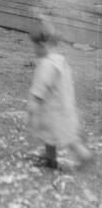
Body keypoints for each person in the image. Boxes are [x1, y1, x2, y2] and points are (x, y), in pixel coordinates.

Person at [28, 23, 92, 169]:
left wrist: (33, 109)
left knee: (68, 138)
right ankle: (50, 159)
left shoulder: (46, 66)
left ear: (43, 45)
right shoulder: (59, 60)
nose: (34, 49)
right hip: (63, 107)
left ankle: (85, 156)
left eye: (35, 46)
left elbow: (40, 89)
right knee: (49, 136)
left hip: (54, 112)